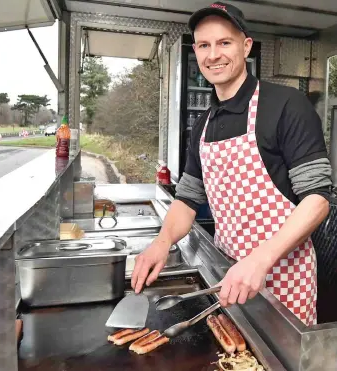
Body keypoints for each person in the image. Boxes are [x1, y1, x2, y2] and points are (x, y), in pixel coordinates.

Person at [131, 1, 333, 326]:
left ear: (246, 46)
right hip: (228, 275)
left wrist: (260, 259)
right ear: (196, 52)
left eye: (224, 42)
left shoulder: (285, 105)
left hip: (284, 278)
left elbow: (318, 199)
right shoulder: (203, 124)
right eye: (204, 45)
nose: (214, 55)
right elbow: (187, 199)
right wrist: (161, 242)